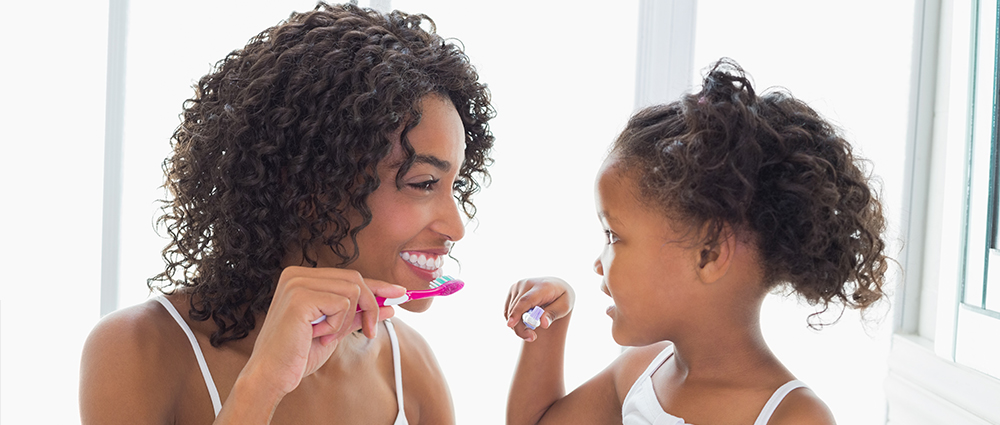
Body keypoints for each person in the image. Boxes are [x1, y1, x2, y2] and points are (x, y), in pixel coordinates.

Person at [80, 2, 494, 424]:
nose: (456, 227)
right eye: (423, 183)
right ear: (314, 186)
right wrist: (264, 382)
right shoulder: (140, 348)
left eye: (455, 186)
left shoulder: (410, 368)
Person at [502, 59, 888, 425]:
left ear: (709, 253)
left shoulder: (794, 417)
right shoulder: (641, 370)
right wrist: (548, 325)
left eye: (614, 236)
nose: (599, 263)